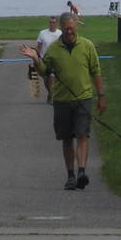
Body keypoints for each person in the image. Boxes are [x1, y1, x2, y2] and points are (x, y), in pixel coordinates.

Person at [20, 12, 107, 190]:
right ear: (61, 28)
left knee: (82, 134)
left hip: (84, 97)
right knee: (67, 138)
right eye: (66, 29)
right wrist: (36, 59)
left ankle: (82, 171)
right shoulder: (54, 49)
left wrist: (101, 96)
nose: (69, 32)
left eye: (71, 29)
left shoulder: (87, 46)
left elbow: (95, 71)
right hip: (62, 100)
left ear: (76, 27)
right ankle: (70, 175)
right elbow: (44, 70)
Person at [29, 15, 59, 99]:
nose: (51, 24)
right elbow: (38, 47)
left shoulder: (60, 33)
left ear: (57, 23)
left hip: (55, 60)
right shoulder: (43, 33)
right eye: (50, 22)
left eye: (53, 22)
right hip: (44, 59)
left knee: (52, 77)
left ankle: (52, 94)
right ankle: (50, 92)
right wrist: (35, 57)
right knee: (46, 79)